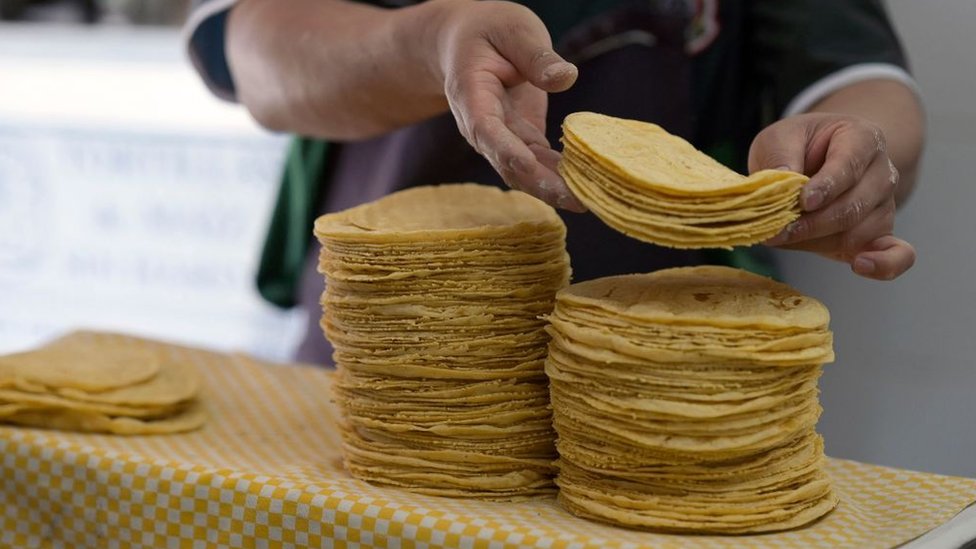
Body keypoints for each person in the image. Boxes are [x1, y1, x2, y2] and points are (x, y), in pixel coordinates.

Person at [184, 0, 924, 365]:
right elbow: (242, 47)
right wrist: (427, 44)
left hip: (666, 374)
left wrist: (850, 151)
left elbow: (858, 77)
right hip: (391, 360)